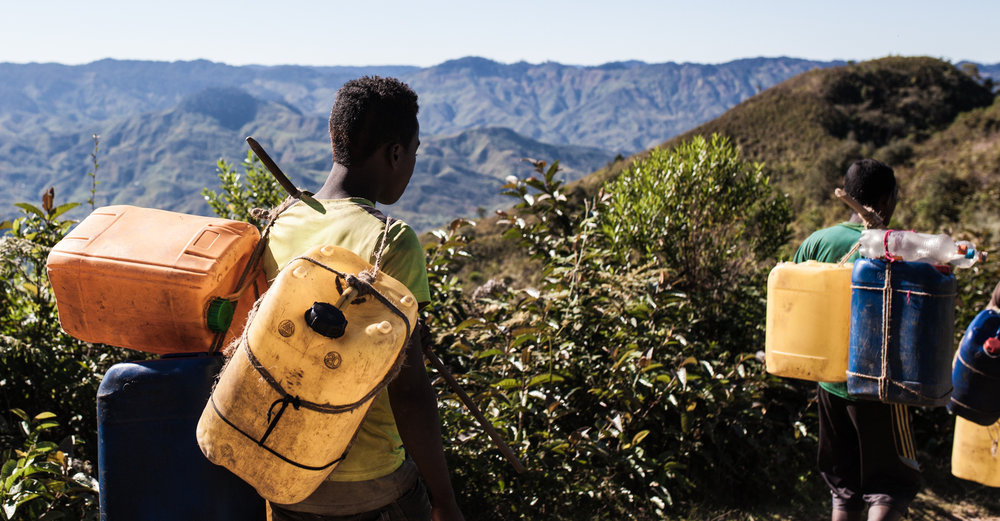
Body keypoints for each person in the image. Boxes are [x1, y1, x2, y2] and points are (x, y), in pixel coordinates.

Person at [261, 76, 465, 521]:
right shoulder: (390, 243)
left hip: (281, 473)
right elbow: (408, 392)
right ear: (396, 153)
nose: (410, 163)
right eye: (413, 152)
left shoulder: (280, 223)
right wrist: (445, 501)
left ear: (336, 139)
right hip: (367, 486)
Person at [793, 159, 919, 521]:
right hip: (880, 388)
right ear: (884, 200)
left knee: (843, 491)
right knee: (890, 488)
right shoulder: (897, 248)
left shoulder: (815, 242)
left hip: (829, 387)